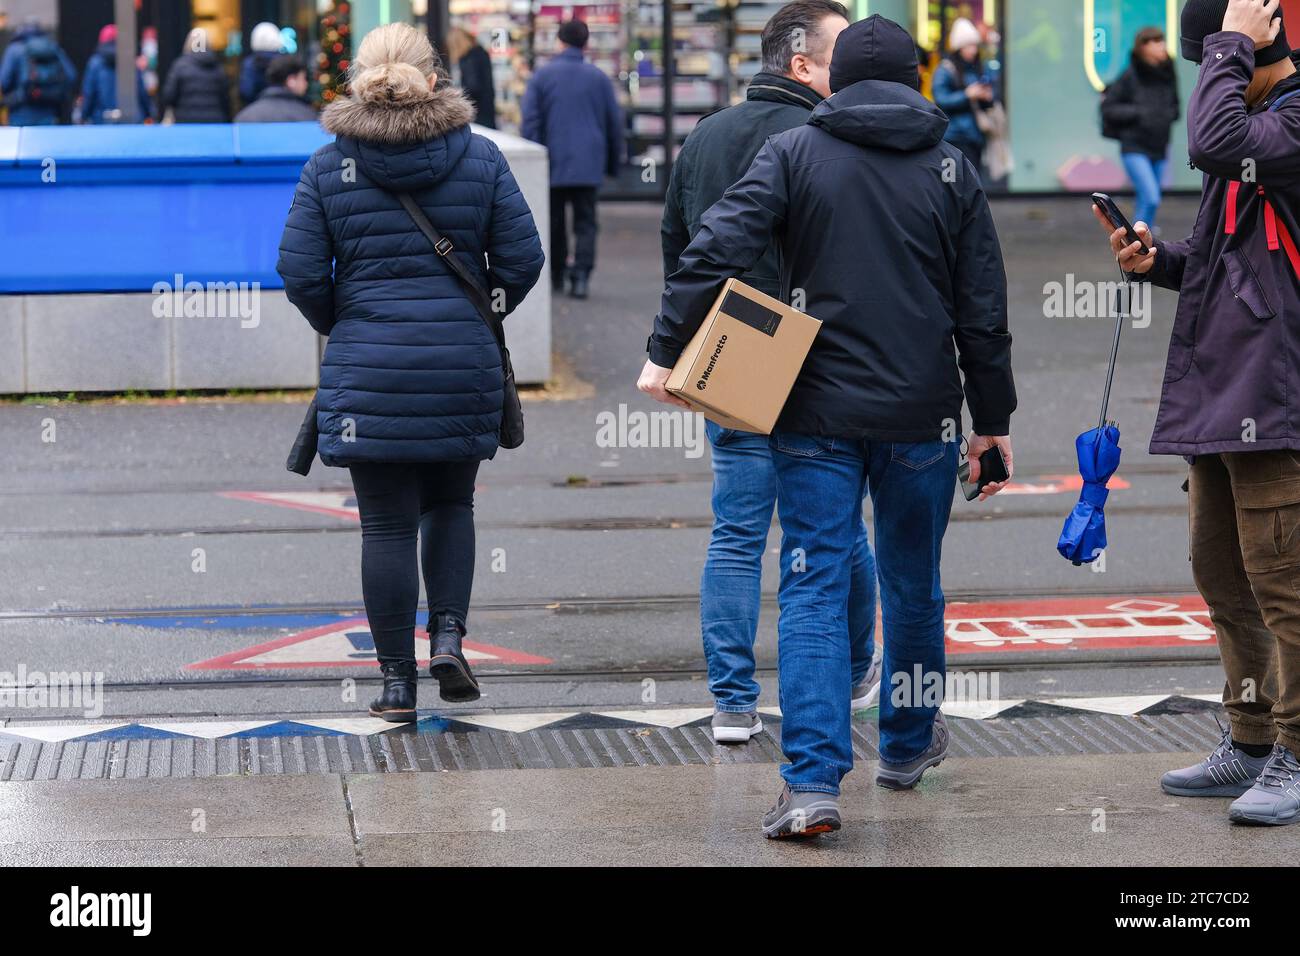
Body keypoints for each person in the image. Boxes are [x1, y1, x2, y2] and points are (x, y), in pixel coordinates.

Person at [640, 14, 1015, 838]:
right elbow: (983, 311)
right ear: (919, 79)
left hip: (812, 410)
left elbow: (711, 249)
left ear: (834, 80)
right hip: (923, 413)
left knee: (812, 581)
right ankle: (908, 746)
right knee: (912, 582)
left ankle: (811, 783)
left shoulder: (795, 153)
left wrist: (666, 349)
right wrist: (992, 420)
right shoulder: (951, 168)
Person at [277, 22, 543, 721]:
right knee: (452, 504)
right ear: (434, 78)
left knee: (385, 527)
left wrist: (349, 318)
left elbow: (300, 271)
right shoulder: (481, 158)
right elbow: (524, 259)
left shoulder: (328, 165)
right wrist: (483, 310)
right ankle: (449, 637)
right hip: (461, 365)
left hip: (369, 371)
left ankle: (396, 684)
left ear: (360, 78)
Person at [1097, 0, 1300, 827]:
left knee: (1284, 582)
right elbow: (1225, 256)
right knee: (1223, 575)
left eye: (1212, 58)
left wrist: (1227, 45)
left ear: (1251, 45)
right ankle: (1251, 739)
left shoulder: (1280, 123)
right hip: (1224, 388)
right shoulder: (1250, 129)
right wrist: (1160, 262)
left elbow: (1210, 140)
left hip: (1278, 392)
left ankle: (1295, 751)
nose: (1204, 73)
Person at [659, 0, 880, 746]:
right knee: (839, 527)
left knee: (736, 533)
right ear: (801, 64)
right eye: (839, 55)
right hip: (821, 355)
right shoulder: (827, 138)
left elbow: (678, 246)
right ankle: (851, 676)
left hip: (734, 348)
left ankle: (731, 702)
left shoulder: (706, 137)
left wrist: (684, 343)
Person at [521, 19, 623, 300]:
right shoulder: (599, 78)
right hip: (588, 163)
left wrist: (534, 160)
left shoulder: (542, 76)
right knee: (586, 223)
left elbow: (530, 122)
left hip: (552, 163)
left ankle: (556, 276)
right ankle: (581, 278)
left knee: (553, 221)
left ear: (559, 41)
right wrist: (615, 164)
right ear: (586, 43)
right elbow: (614, 124)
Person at [1101, 27, 1180, 229]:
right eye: (1155, 42)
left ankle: (1143, 234)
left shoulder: (1168, 72)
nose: (1161, 46)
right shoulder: (1130, 75)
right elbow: (1109, 107)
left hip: (1159, 144)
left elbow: (1174, 103)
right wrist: (1140, 113)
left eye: (1161, 41)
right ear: (1143, 47)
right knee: (1152, 196)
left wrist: (1169, 114)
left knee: (1147, 198)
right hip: (1134, 145)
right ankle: (1136, 237)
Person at [930, 17, 994, 177]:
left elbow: (986, 101)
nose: (973, 50)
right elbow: (940, 99)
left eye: (975, 45)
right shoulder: (945, 70)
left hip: (976, 136)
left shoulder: (977, 68)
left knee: (973, 182)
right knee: (955, 183)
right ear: (959, 47)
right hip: (954, 137)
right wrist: (967, 95)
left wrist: (986, 97)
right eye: (969, 45)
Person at [0, 17, 75, 126]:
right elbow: (71, 76)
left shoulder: (13, 50)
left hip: (20, 114)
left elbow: (4, 81)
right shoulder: (52, 47)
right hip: (49, 114)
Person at [80, 24, 152, 124]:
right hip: (131, 121)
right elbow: (141, 91)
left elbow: (89, 93)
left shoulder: (95, 63)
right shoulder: (130, 60)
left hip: (102, 120)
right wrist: (149, 114)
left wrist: (83, 116)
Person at [161, 28, 231, 124]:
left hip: (186, 123)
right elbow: (225, 99)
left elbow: (168, 96)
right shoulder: (217, 67)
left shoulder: (180, 66)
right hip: (214, 123)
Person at [235, 55, 316, 122]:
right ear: (291, 81)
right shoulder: (307, 116)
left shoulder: (245, 117)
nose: (306, 84)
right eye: (303, 78)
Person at [447, 26, 495, 129]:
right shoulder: (480, 52)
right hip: (486, 106)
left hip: (477, 111)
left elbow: (472, 86)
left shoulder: (468, 58)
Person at [240, 21, 282, 105]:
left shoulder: (249, 63)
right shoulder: (283, 62)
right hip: (282, 108)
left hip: (255, 108)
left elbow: (246, 91)